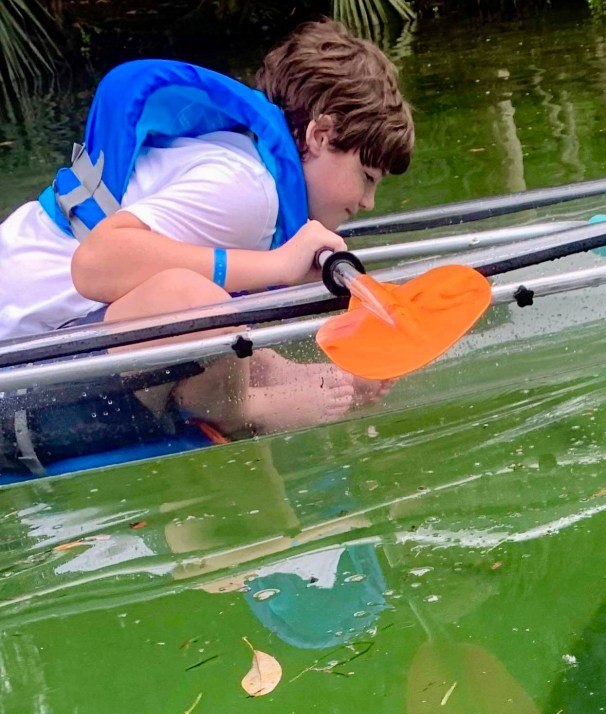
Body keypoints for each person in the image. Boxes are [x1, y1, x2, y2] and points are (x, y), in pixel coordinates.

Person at [0, 19, 413, 463]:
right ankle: (242, 409)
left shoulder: (242, 162)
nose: (368, 201)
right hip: (18, 386)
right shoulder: (248, 188)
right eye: (366, 178)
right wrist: (278, 265)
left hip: (47, 356)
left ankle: (268, 374)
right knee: (193, 297)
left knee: (217, 310)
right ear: (320, 135)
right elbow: (96, 263)